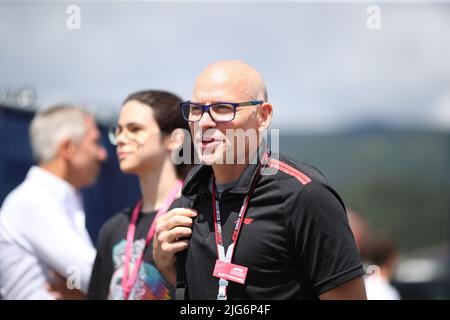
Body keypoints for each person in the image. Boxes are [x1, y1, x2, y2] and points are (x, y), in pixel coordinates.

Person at [153, 60, 367, 300]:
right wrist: (166, 266)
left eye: (223, 108)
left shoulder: (304, 195)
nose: (204, 122)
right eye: (196, 109)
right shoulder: (190, 196)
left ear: (263, 116)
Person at [87, 90, 191, 300]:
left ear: (175, 139)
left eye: (135, 129)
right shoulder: (113, 228)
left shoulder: (192, 216)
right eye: (118, 131)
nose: (121, 139)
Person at [0, 105, 107, 299]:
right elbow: (93, 274)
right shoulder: (33, 200)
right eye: (95, 142)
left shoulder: (54, 197)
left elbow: (83, 279)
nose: (102, 154)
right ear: (68, 148)